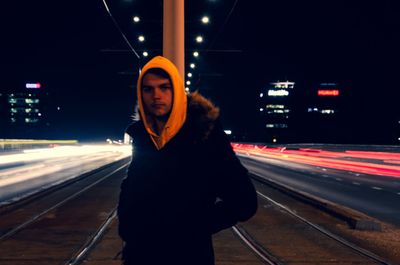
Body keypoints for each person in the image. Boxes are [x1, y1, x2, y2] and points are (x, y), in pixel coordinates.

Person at [117, 56, 257, 265]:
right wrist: (128, 225)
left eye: (164, 87)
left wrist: (195, 226)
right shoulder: (142, 136)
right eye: (148, 89)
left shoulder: (205, 135)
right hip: (141, 255)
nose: (156, 95)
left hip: (188, 256)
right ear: (140, 93)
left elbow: (245, 202)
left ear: (177, 90)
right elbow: (134, 190)